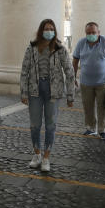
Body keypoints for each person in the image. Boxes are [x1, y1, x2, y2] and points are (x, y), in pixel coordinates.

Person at [19, 18, 75, 172]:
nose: (48, 31)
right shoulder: (32, 48)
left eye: (51, 29)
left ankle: (46, 157)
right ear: (41, 30)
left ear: (55, 31)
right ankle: (37, 153)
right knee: (35, 125)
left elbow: (70, 72)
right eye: (46, 28)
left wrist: (70, 95)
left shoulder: (60, 49)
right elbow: (24, 71)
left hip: (54, 91)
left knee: (50, 125)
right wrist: (23, 92)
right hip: (35, 90)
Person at [72, 21, 105, 140]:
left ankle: (104, 130)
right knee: (88, 107)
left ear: (99, 32)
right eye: (88, 33)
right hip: (86, 82)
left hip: (104, 82)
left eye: (93, 32)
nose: (91, 34)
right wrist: (73, 77)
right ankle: (90, 128)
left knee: (103, 107)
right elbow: (75, 60)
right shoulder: (81, 43)